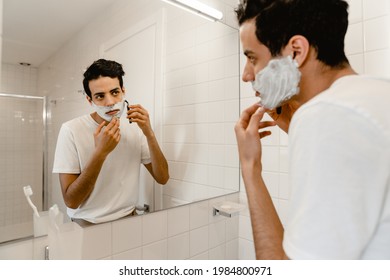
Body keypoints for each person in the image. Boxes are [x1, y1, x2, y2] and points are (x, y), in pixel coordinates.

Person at [234, 0, 390, 259]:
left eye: (252, 58)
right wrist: (296, 129)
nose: (246, 75)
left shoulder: (327, 116)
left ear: (296, 52)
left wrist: (250, 167)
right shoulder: (376, 94)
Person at [53, 59, 169, 224]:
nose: (110, 102)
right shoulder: (71, 130)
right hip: (88, 222)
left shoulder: (134, 126)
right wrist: (100, 153)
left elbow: (162, 177)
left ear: (123, 91)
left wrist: (149, 132)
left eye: (115, 92)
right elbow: (71, 200)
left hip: (130, 218)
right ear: (89, 100)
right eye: (100, 96)